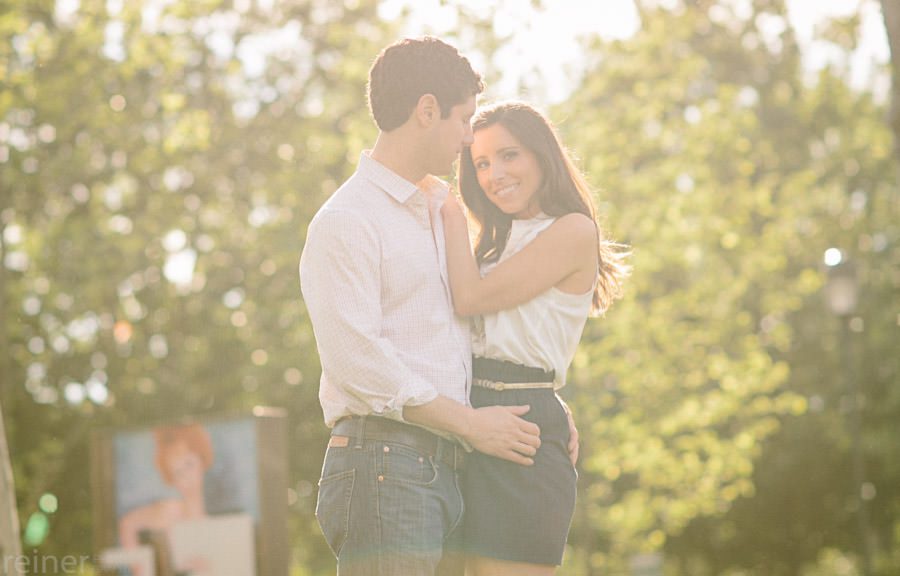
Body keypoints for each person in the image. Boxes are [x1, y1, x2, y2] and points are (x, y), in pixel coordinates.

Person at [299, 38, 548, 576]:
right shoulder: (348, 220)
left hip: (447, 468)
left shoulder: (440, 212)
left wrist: (546, 403)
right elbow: (358, 362)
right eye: (463, 120)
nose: (467, 138)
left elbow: (465, 340)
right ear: (426, 110)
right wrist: (471, 425)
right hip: (385, 466)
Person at [440, 101, 630, 575]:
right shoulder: (490, 240)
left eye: (509, 155)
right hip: (463, 423)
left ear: (542, 155)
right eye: (480, 163)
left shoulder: (573, 231)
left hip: (521, 432)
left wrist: (445, 209)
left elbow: (469, 299)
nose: (493, 173)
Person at [118, 424, 214, 575]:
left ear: (202, 460)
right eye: (178, 473)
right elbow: (127, 524)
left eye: (189, 464)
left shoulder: (212, 524)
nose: (186, 477)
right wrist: (140, 570)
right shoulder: (171, 511)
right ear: (172, 479)